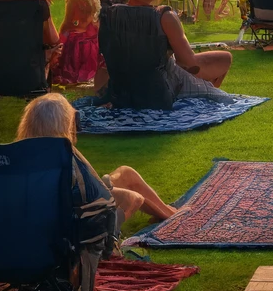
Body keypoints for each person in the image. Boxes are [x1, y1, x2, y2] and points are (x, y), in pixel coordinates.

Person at [17, 93, 175, 225]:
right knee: (134, 198)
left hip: (60, 211)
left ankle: (169, 214)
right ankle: (109, 240)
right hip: (79, 222)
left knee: (126, 174)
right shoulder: (67, 157)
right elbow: (94, 194)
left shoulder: (18, 156)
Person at [96, 0, 233, 105]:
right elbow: (188, 62)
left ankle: (201, 93)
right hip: (159, 92)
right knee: (225, 59)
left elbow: (103, 62)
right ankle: (202, 96)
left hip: (119, 92)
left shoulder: (108, 15)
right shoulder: (163, 15)